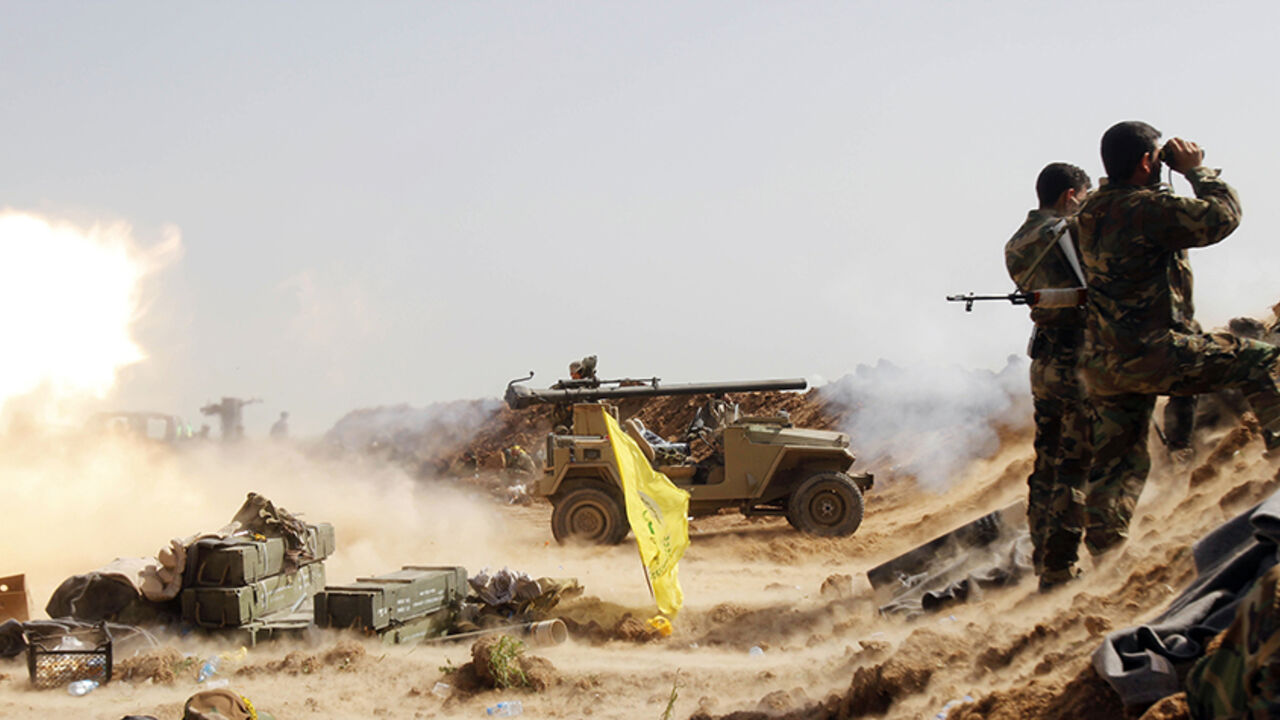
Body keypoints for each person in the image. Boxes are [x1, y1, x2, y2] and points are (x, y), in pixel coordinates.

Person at [1076, 120, 1280, 556]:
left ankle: (1104, 561)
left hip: (1107, 363)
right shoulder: (1146, 210)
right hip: (1156, 354)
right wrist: (1196, 171)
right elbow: (1222, 218)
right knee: (1261, 359)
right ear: (1147, 162)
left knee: (1117, 467)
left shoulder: (1091, 211)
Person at [1004, 162, 1093, 590]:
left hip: (1044, 362)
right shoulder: (1068, 233)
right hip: (1078, 359)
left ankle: (1043, 555)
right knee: (1075, 466)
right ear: (1069, 196)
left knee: (1047, 464)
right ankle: (1060, 569)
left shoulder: (1017, 243)